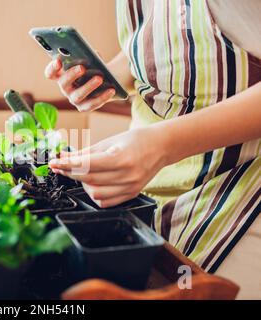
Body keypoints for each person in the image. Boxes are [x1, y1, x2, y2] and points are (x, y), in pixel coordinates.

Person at [46, 0, 261, 272]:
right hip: (148, 184)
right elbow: (160, 41)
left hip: (238, 193)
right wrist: (102, 76)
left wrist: (163, 145)